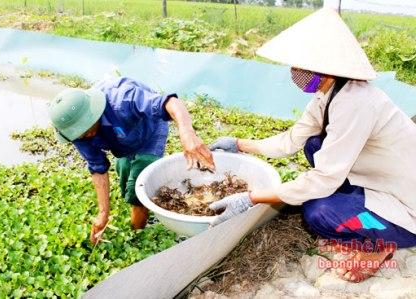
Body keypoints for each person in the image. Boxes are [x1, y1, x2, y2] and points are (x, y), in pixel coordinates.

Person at [209, 8, 416, 283]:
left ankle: (381, 240)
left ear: (327, 69)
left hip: (406, 203)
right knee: (314, 145)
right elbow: (291, 140)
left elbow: (324, 179)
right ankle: (362, 214)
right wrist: (238, 144)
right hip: (378, 178)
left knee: (319, 213)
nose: (296, 73)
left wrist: (251, 198)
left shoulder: (356, 102)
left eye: (302, 67)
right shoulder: (329, 93)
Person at [49, 75, 215, 245]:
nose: (84, 135)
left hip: (150, 131)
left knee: (138, 189)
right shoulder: (77, 133)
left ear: (93, 112)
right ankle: (136, 212)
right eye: (79, 133)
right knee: (125, 177)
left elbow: (171, 103)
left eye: (86, 128)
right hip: (121, 143)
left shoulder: (123, 99)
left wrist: (187, 132)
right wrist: (103, 214)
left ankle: (137, 236)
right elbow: (97, 167)